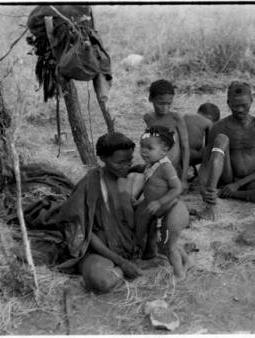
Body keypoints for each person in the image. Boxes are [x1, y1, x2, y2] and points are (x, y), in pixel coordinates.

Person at [51, 132, 144, 294]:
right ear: (103, 159)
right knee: (99, 282)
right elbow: (85, 232)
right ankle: (123, 271)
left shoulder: (133, 177)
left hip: (129, 247)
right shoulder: (91, 185)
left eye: (129, 161)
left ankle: (129, 266)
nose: (126, 166)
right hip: (100, 251)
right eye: (119, 162)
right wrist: (121, 263)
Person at [197, 81, 255, 221]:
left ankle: (230, 194)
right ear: (228, 103)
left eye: (244, 105)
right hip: (229, 177)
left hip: (252, 177)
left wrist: (237, 186)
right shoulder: (218, 127)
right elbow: (206, 164)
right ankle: (214, 197)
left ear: (251, 101)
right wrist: (202, 188)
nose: (240, 110)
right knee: (221, 138)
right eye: (235, 106)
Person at [132, 126, 191, 281]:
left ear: (163, 152)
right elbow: (148, 181)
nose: (144, 151)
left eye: (149, 148)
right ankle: (186, 261)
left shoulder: (166, 167)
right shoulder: (152, 163)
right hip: (161, 210)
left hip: (173, 210)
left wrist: (159, 202)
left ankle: (179, 274)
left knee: (169, 247)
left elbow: (177, 188)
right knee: (169, 243)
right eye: (142, 146)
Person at [144, 79, 190, 192]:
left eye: (169, 103)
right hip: (155, 167)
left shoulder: (176, 118)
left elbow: (185, 147)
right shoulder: (148, 118)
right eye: (161, 103)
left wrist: (184, 178)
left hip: (173, 168)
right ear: (151, 99)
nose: (165, 108)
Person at [184, 102, 220, 170]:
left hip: (175, 153)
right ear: (210, 117)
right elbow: (209, 145)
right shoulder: (208, 122)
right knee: (213, 151)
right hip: (191, 155)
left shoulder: (185, 116)